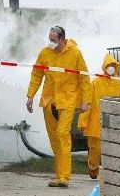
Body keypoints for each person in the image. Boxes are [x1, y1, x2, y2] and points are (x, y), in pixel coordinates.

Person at [26, 26, 92, 188]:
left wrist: (86, 101)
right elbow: (36, 75)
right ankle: (59, 176)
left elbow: (84, 79)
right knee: (54, 139)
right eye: (49, 39)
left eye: (53, 40)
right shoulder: (45, 53)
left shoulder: (75, 53)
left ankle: (64, 177)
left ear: (62, 39)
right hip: (49, 101)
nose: (50, 42)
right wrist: (30, 96)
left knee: (63, 134)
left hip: (67, 100)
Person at [78, 54, 120, 179]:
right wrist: (83, 122)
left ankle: (110, 172)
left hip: (113, 122)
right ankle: (93, 169)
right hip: (95, 122)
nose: (111, 68)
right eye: (109, 65)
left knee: (113, 148)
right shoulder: (96, 82)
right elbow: (87, 102)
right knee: (94, 148)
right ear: (104, 67)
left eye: (113, 66)